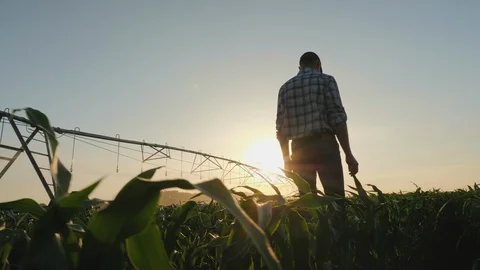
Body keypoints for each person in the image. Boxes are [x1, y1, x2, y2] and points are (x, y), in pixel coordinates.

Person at [275, 51, 359, 200]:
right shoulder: (326, 80)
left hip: (299, 151)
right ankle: (337, 223)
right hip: (324, 145)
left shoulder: (284, 88)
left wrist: (287, 160)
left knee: (307, 203)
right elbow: (337, 117)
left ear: (299, 67)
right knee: (335, 200)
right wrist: (349, 155)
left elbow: (281, 130)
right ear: (318, 65)